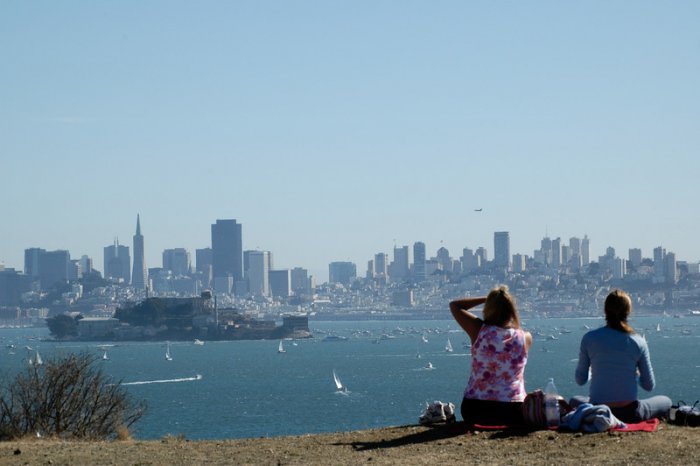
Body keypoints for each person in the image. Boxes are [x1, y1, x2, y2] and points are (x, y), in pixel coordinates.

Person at [571, 289, 671, 423]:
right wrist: (635, 376)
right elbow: (649, 385)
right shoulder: (638, 341)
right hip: (630, 413)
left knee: (574, 400)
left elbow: (580, 380)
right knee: (666, 401)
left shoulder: (589, 338)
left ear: (605, 311)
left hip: (599, 411)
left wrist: (590, 371)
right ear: (628, 312)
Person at [450, 285, 532, 426]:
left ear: (488, 308)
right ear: (512, 310)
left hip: (476, 410)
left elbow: (455, 306)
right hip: (513, 410)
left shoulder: (478, 330)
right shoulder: (525, 337)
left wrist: (488, 299)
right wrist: (504, 300)